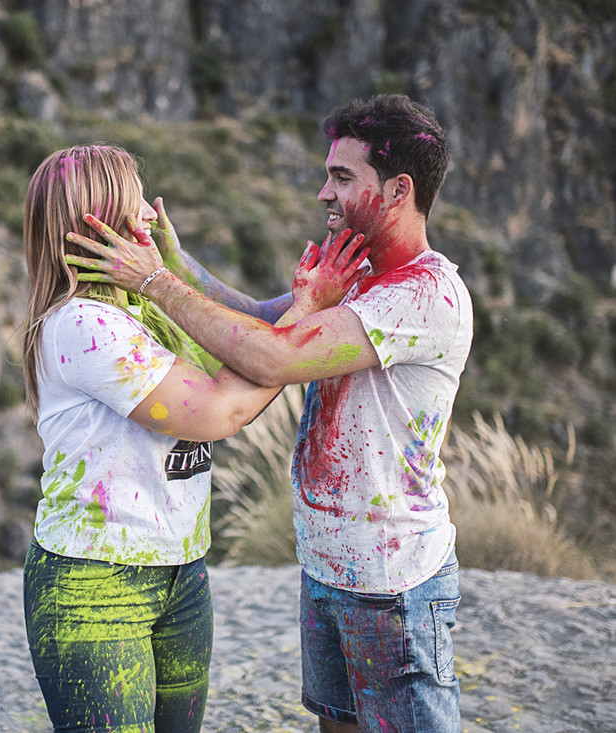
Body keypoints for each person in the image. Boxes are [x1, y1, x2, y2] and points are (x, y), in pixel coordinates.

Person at [65, 95, 473, 733]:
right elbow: (261, 317)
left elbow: (272, 355)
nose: (323, 193)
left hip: (393, 584)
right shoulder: (356, 273)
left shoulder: (423, 295)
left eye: (342, 177)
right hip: (330, 568)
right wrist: (176, 263)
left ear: (398, 190)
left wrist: (153, 283)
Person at [21, 144, 367, 733]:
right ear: (98, 222)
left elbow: (248, 324)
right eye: (138, 205)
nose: (153, 217)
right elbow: (217, 410)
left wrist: (175, 271)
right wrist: (311, 304)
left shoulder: (144, 307)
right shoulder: (84, 324)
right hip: (95, 585)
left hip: (181, 572)